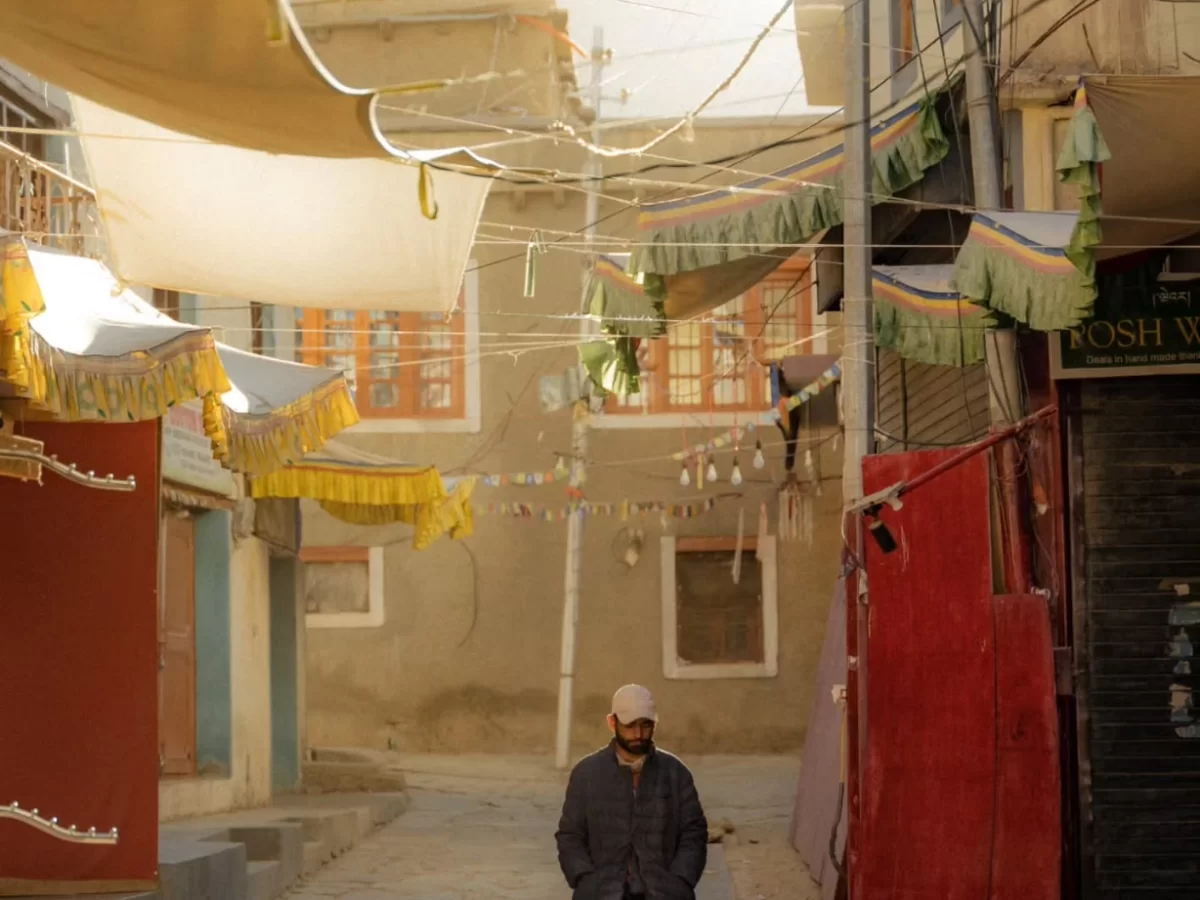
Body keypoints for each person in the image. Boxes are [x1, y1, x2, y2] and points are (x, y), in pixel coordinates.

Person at [555, 684, 708, 900]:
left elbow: (694, 833)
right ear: (612, 723)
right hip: (601, 891)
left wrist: (680, 880)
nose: (638, 734)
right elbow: (570, 835)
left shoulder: (675, 773)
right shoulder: (586, 774)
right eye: (629, 726)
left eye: (645, 725)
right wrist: (585, 878)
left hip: (664, 891)